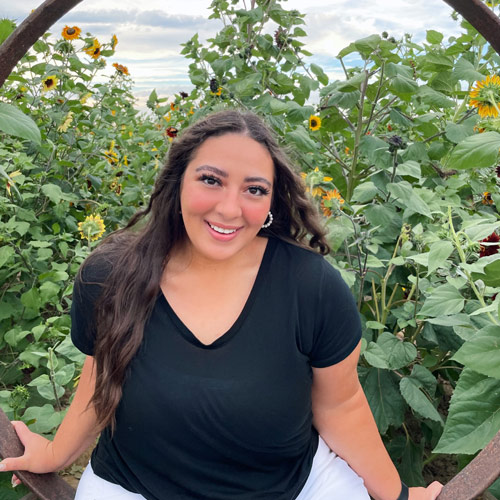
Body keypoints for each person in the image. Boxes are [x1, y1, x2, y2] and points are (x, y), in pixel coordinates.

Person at [0, 110, 443, 500]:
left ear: (270, 201)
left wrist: (398, 495)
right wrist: (56, 453)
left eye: (254, 190)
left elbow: (341, 404)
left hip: (299, 488)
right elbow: (100, 376)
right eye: (211, 180)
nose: (230, 209)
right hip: (134, 488)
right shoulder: (111, 276)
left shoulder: (311, 287)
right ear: (178, 181)